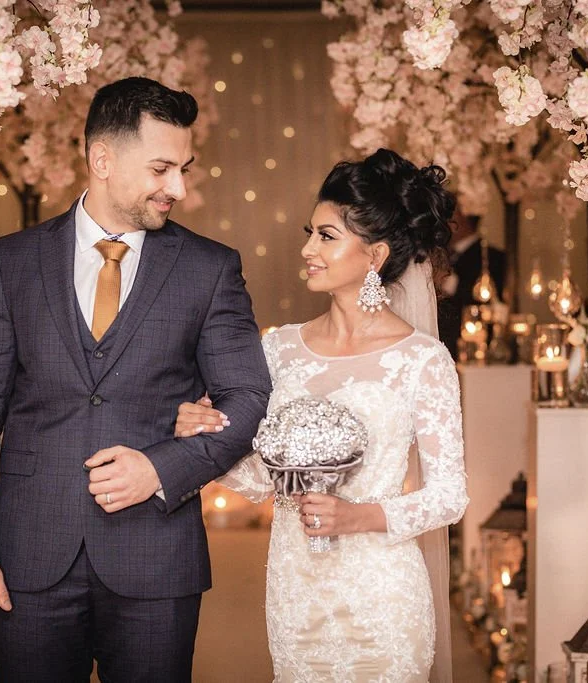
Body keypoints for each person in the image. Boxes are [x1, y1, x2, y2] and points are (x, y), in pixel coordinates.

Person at [0, 76, 271, 683]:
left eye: (184, 169)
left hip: (156, 559)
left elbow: (248, 398)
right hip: (27, 558)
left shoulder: (210, 268)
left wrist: (161, 468)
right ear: (102, 159)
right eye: (162, 168)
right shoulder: (13, 262)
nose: (179, 187)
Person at [176, 149, 468, 682]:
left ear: (374, 255)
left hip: (382, 595)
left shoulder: (421, 359)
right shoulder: (279, 349)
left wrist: (359, 517)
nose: (308, 249)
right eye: (311, 233)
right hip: (295, 590)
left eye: (327, 236)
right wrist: (208, 434)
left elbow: (449, 496)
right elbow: (264, 479)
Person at [436, 206, 506, 359]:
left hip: (476, 350)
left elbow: (491, 301)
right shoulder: (439, 254)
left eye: (449, 215)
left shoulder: (492, 258)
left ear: (464, 218)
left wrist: (450, 282)